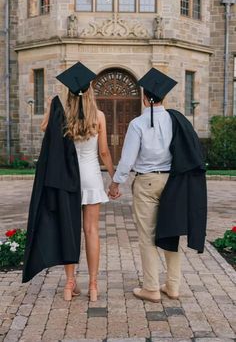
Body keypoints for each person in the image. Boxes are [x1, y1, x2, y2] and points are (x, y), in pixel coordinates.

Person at [109, 68, 207, 303]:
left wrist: (115, 183)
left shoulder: (137, 123)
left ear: (144, 97)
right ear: (165, 98)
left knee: (148, 236)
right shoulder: (176, 120)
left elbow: (128, 159)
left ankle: (151, 288)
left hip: (146, 182)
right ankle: (172, 286)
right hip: (173, 182)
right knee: (171, 231)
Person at [24, 62, 115, 303]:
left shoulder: (61, 115)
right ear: (90, 92)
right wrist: (114, 178)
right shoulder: (99, 116)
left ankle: (70, 284)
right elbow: (104, 153)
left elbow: (46, 133)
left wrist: (50, 111)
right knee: (92, 231)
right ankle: (93, 286)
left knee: (69, 229)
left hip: (67, 178)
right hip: (92, 177)